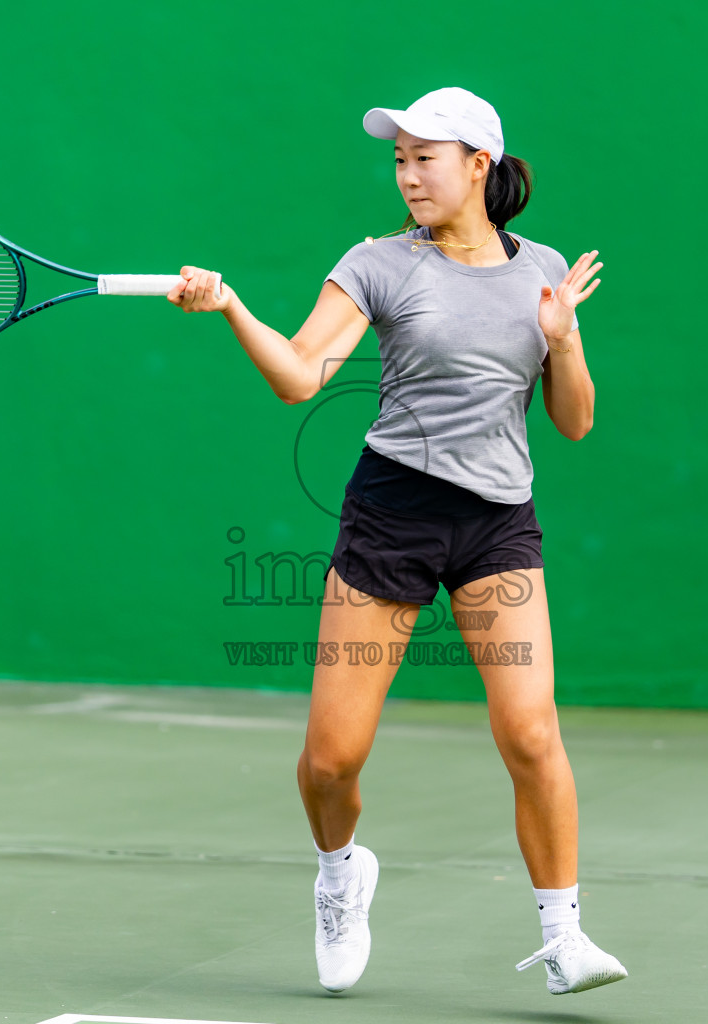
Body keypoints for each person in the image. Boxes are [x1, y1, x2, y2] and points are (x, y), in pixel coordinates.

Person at [166, 86, 626, 997]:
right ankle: (340, 874)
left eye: (427, 157)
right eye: (400, 159)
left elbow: (572, 423)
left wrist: (562, 342)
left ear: (479, 166)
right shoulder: (378, 264)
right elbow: (301, 378)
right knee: (332, 760)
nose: (409, 175)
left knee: (532, 735)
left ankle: (565, 937)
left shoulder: (544, 268)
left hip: (498, 526)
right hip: (391, 517)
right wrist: (232, 309)